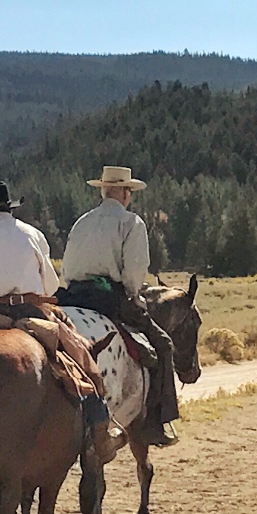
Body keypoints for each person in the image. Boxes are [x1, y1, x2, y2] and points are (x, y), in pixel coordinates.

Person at [0, 181, 109, 432]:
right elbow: (50, 285)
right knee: (79, 356)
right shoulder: (33, 235)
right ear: (10, 208)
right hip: (32, 310)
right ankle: (98, 424)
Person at [61, 165, 180, 446]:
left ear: (103, 190)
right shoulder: (130, 223)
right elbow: (133, 273)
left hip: (72, 295)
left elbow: (67, 267)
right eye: (129, 191)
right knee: (162, 345)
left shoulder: (82, 222)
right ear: (126, 193)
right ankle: (156, 423)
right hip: (108, 297)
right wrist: (134, 295)